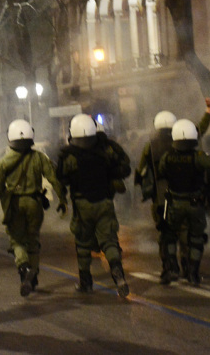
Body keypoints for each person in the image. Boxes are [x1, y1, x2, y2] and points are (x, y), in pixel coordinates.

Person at [136, 98, 210, 282]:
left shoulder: (150, 145)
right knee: (187, 233)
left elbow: (141, 171)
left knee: (166, 235)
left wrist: (146, 190)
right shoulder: (183, 138)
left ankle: (169, 268)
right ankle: (188, 267)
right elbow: (199, 130)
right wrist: (208, 112)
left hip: (161, 198)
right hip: (184, 195)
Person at [56, 113, 130, 298]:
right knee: (109, 240)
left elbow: (61, 178)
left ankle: (85, 282)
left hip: (82, 205)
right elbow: (125, 166)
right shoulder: (107, 149)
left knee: (82, 243)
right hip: (104, 202)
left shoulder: (69, 155)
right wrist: (111, 173)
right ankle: (117, 272)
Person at [0, 119, 67, 297]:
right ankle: (33, 278)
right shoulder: (39, 157)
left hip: (15, 205)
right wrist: (63, 200)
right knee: (33, 241)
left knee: (17, 241)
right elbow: (54, 180)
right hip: (35, 204)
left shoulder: (4, 160)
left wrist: (6, 194)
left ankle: (23, 267)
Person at [154, 119, 210, 286]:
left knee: (169, 236)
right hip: (195, 205)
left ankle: (171, 268)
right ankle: (193, 273)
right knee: (196, 239)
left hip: (174, 205)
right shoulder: (198, 157)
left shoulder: (167, 157)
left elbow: (161, 172)